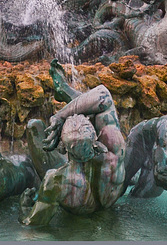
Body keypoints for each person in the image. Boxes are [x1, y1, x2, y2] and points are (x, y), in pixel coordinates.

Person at [18, 61, 126, 225]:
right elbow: (103, 95)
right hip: (109, 199)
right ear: (96, 139)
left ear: (62, 147)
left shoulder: (56, 180)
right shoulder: (114, 147)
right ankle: (65, 92)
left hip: (77, 201)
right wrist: (62, 115)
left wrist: (25, 209)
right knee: (92, 107)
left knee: (34, 127)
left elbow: (33, 225)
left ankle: (64, 93)